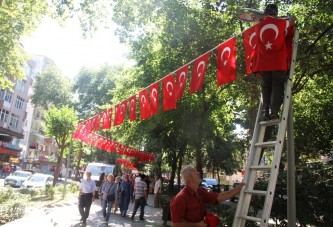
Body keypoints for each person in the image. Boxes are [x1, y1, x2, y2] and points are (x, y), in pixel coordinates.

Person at [254, 4, 296, 120]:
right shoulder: (281, 23)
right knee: (277, 86)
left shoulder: (258, 27)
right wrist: (292, 17)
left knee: (266, 87)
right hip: (278, 62)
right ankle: (274, 112)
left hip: (264, 64)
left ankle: (265, 112)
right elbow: (291, 22)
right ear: (276, 13)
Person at [170, 165, 244, 226]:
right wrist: (197, 225)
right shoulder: (180, 198)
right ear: (189, 179)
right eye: (194, 171)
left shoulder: (200, 192)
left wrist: (238, 189)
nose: (198, 173)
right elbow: (176, 224)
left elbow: (219, 197)